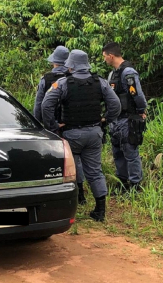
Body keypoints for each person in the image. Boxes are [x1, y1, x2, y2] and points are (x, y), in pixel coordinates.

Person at [42, 49, 121, 222]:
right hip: (94, 133)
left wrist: (53, 126)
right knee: (95, 172)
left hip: (71, 134)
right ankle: (100, 211)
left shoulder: (63, 83)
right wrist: (105, 120)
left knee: (68, 170)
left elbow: (46, 105)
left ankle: (69, 207)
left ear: (71, 65)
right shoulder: (99, 82)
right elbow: (115, 104)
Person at [33, 46, 86, 205]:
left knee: (51, 157)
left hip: (51, 125)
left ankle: (53, 192)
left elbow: (39, 105)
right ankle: (80, 193)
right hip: (72, 125)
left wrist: (41, 125)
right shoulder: (74, 77)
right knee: (75, 160)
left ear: (54, 62)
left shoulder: (47, 79)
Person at [102, 42, 147, 190]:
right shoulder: (112, 74)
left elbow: (137, 94)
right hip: (115, 120)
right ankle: (122, 182)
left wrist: (141, 110)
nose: (104, 60)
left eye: (104, 57)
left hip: (128, 119)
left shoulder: (128, 73)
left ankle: (135, 184)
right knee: (117, 152)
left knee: (130, 152)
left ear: (111, 55)